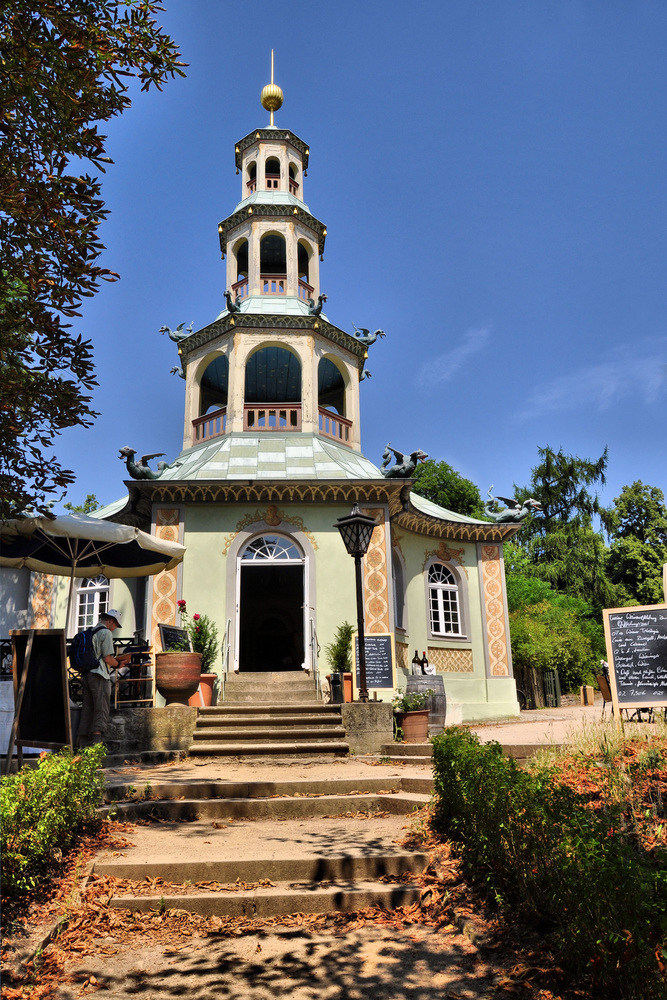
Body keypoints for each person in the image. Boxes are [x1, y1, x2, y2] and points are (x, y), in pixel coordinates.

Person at [77, 609, 131, 748]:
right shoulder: (105, 633)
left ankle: (83, 745)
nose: (114, 629)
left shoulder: (91, 631)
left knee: (87, 708)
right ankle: (96, 747)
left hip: (87, 674)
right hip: (100, 675)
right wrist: (119, 663)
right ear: (112, 621)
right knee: (101, 708)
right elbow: (107, 658)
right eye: (115, 626)